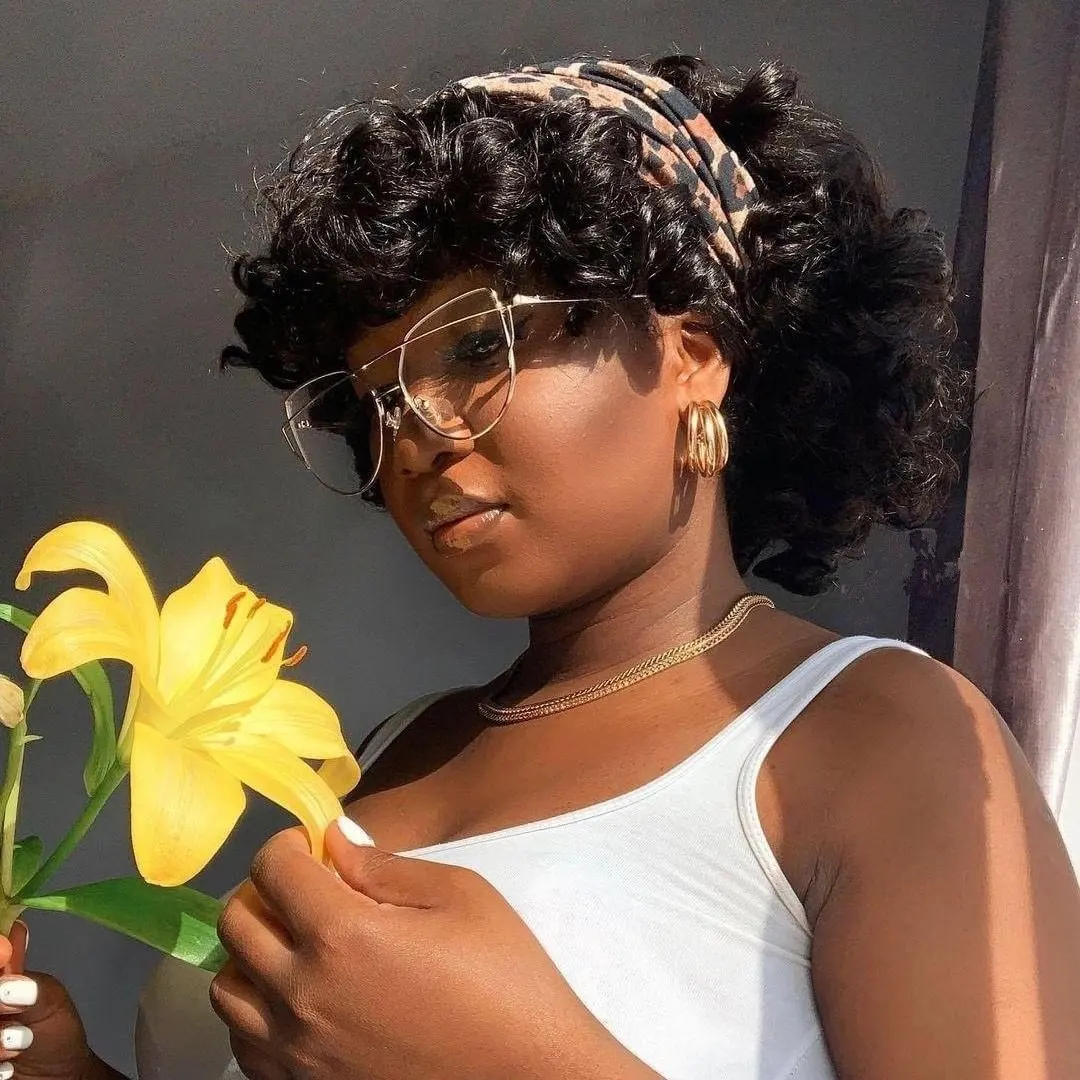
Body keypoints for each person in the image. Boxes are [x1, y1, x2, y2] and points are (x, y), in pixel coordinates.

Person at [3, 54, 1079, 1080]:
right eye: (377, 397)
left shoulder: (878, 732)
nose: (415, 436)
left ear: (695, 356)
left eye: (480, 344)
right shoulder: (387, 749)